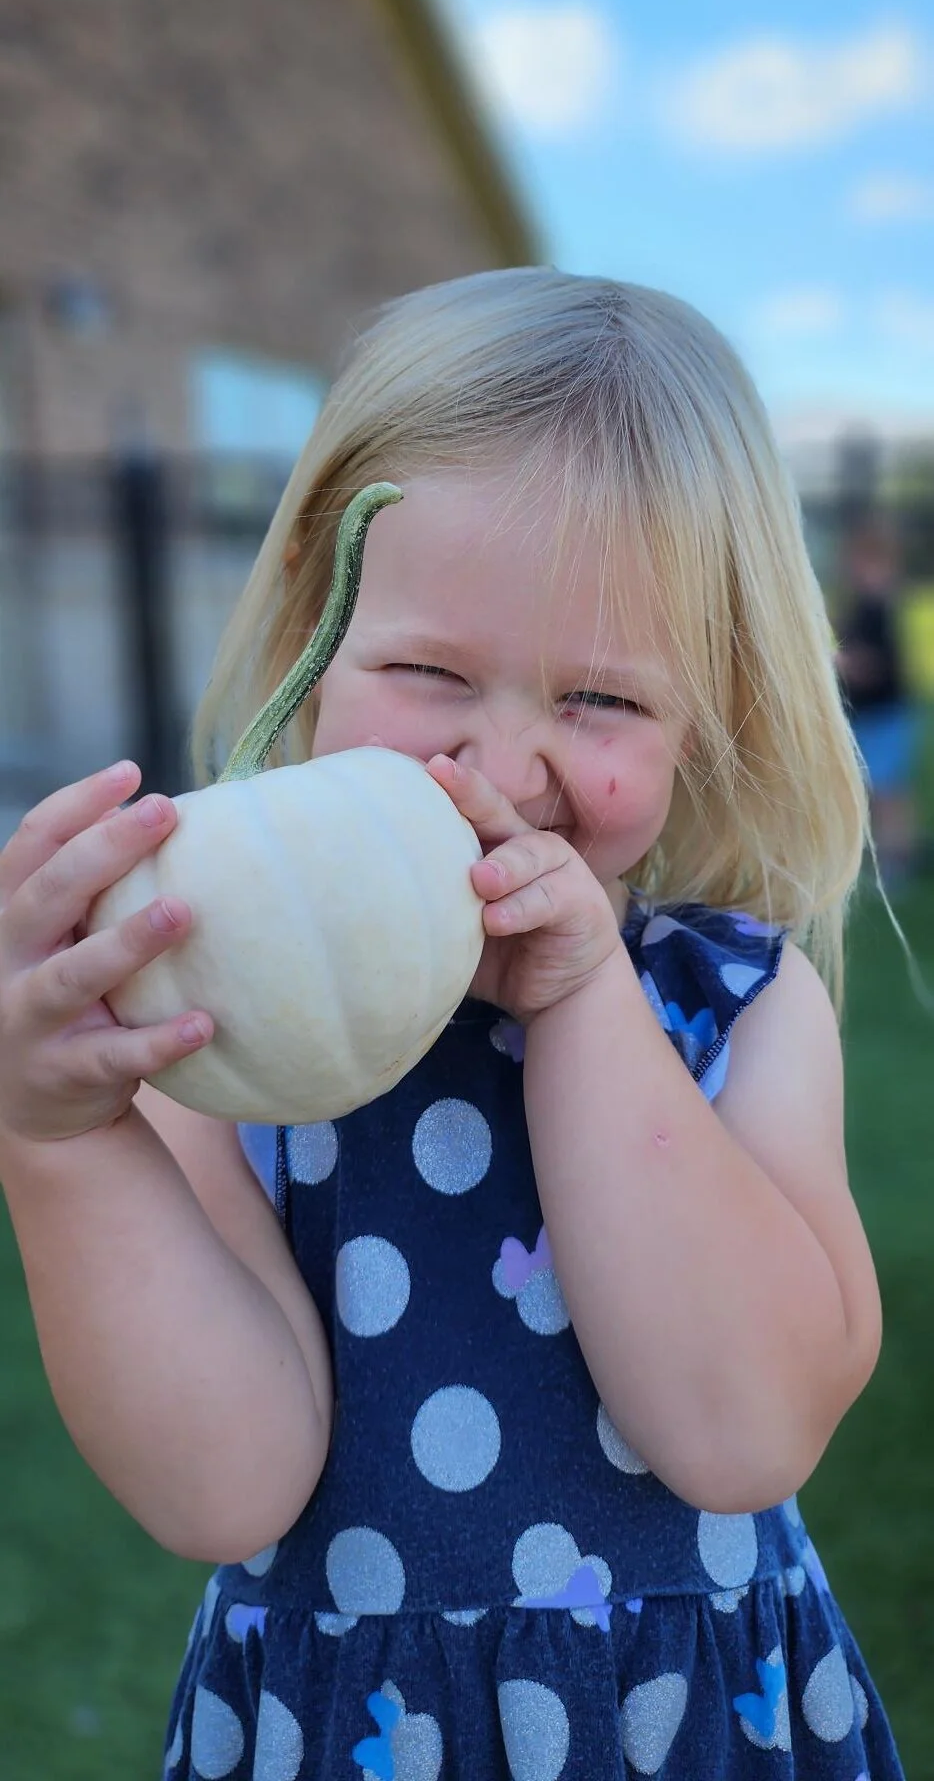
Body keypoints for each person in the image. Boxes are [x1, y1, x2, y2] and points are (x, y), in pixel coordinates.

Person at [0, 270, 905, 1779]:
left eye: (600, 701)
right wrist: (61, 1136)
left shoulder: (735, 1006)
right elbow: (224, 1485)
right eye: (427, 674)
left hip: (685, 1726)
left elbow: (744, 1430)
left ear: (704, 713)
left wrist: (583, 1005)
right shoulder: (206, 1024)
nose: (502, 760)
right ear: (316, 630)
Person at [833, 515, 921, 895]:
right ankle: (883, 859)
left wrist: (837, 662)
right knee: (872, 790)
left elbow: (874, 666)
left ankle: (897, 864)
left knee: (888, 792)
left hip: (885, 715)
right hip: (870, 714)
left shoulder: (879, 610)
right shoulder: (862, 606)